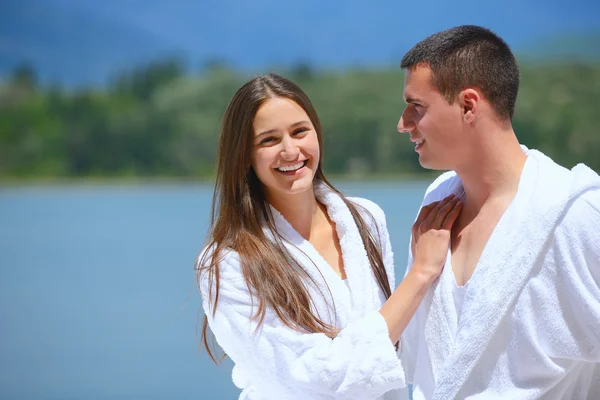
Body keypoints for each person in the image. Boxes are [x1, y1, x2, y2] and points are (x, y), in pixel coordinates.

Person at [196, 73, 462, 399]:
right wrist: (420, 274)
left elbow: (398, 346)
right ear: (245, 156)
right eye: (268, 140)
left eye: (299, 131)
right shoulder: (228, 263)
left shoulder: (365, 219)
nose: (290, 150)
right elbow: (311, 377)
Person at [397, 25, 600, 399]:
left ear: (468, 105)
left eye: (416, 107)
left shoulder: (574, 213)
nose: (403, 123)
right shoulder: (437, 201)